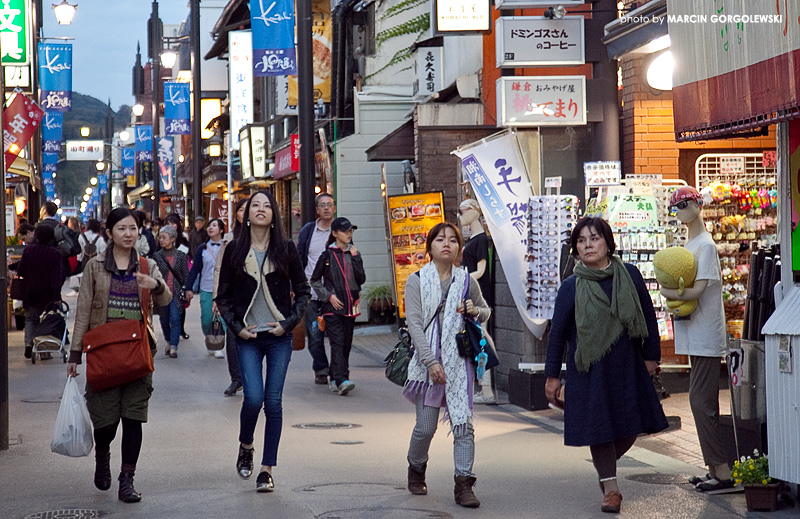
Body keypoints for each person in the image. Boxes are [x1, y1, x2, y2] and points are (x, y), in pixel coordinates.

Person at [544, 217, 668, 514]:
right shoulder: (571, 287)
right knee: (599, 428)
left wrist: (651, 357)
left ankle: (605, 469)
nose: (588, 244)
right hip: (589, 371)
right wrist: (552, 377)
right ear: (575, 248)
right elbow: (557, 334)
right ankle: (611, 488)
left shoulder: (631, 275)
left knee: (629, 427)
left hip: (628, 364)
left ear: (608, 243)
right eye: (581, 240)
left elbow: (648, 318)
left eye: (594, 238)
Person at [67, 207, 171, 503]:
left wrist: (157, 285)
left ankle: (127, 479)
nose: (128, 234)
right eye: (122, 228)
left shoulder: (148, 264)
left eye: (133, 229)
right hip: (103, 352)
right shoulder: (95, 266)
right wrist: (75, 355)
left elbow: (166, 299)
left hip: (138, 352)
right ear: (109, 232)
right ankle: (102, 454)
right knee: (106, 422)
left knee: (133, 418)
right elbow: (84, 310)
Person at [215, 190, 310, 492]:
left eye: (266, 205)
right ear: (245, 214)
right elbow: (223, 297)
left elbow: (304, 291)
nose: (260, 209)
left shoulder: (286, 249)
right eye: (254, 205)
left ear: (274, 215)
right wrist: (237, 328)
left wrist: (288, 324)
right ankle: (246, 445)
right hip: (248, 336)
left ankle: (267, 469)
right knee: (253, 398)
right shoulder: (234, 251)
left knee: (274, 403)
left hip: (278, 337)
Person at [403, 222, 490, 508]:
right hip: (426, 363)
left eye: (453, 240)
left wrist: (474, 310)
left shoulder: (466, 280)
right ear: (429, 247)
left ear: (458, 248)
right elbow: (414, 323)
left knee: (463, 425)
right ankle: (416, 468)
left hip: (458, 363)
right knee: (425, 428)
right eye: (440, 239)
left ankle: (464, 484)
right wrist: (430, 361)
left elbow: (485, 311)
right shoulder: (416, 279)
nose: (447, 244)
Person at [659, 187, 733, 492]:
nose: (678, 212)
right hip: (693, 332)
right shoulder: (691, 244)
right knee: (700, 402)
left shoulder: (706, 246)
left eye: (682, 205)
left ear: (696, 206)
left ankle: (723, 472)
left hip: (705, 334)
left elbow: (700, 289)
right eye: (674, 207)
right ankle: (715, 469)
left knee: (701, 403)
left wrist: (668, 293)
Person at [309, 217, 366, 395]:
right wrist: (328, 296)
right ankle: (342, 379)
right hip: (331, 308)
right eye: (345, 231)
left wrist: (356, 258)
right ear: (334, 234)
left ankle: (336, 376)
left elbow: (361, 279)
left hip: (350, 307)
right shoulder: (327, 255)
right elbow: (315, 280)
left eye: (351, 231)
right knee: (337, 342)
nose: (349, 234)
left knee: (346, 343)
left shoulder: (354, 254)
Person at [296, 192, 336, 385]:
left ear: (334, 208)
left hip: (335, 294)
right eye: (323, 205)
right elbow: (298, 259)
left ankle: (338, 371)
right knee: (314, 334)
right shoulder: (308, 231)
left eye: (330, 204)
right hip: (311, 293)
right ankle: (321, 368)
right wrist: (294, 286)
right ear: (317, 209)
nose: (327, 208)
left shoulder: (339, 230)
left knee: (338, 336)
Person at [458, 199, 495, 404]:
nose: (461, 216)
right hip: (471, 297)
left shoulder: (481, 239)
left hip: (479, 298)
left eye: (463, 212)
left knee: (482, 340)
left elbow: (481, 271)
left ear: (474, 211)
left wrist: (462, 279)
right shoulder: (473, 238)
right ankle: (480, 387)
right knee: (477, 339)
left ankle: (487, 390)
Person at [214, 197, 249, 396]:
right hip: (233, 295)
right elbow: (219, 270)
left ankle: (250, 377)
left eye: (248, 209)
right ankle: (236, 378)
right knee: (233, 337)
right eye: (241, 210)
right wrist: (217, 297)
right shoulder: (228, 239)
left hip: (256, 296)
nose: (245, 213)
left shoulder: (264, 236)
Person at [18, 225, 63, 360]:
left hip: (30, 291)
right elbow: (56, 277)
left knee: (31, 319)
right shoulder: (55, 254)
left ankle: (29, 344)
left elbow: (21, 271)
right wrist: (57, 296)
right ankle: (44, 350)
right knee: (46, 320)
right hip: (48, 293)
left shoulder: (28, 251)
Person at [185, 218, 226, 358]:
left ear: (221, 230)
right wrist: (188, 287)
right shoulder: (202, 248)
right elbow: (195, 269)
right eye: (209, 225)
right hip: (206, 287)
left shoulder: (226, 247)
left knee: (222, 319)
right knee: (206, 319)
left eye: (214, 225)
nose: (210, 228)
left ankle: (218, 345)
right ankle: (209, 337)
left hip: (223, 289)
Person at [152, 225, 189, 358]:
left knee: (175, 318)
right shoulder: (156, 256)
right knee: (164, 318)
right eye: (160, 237)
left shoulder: (181, 256)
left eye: (164, 238)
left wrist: (188, 289)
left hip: (176, 293)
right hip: (161, 293)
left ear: (172, 239)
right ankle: (168, 341)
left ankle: (174, 346)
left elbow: (186, 274)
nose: (161, 240)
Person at [36, 201, 80, 285]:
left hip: (42, 265)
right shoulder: (61, 226)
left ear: (44, 210)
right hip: (61, 264)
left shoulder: (38, 226)